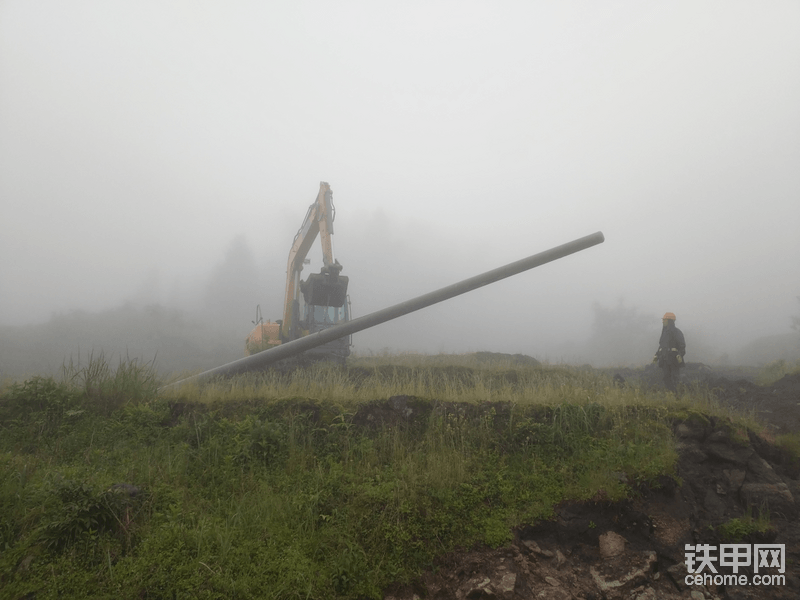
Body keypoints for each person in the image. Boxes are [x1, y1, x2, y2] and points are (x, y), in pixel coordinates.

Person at [653, 312, 686, 392]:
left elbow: (682, 345)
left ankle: (677, 395)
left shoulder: (677, 332)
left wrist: (680, 355)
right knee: (666, 378)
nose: (663, 321)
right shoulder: (664, 333)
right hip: (664, 359)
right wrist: (656, 355)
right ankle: (670, 394)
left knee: (675, 377)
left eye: (664, 320)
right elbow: (661, 345)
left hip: (673, 360)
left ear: (670, 321)